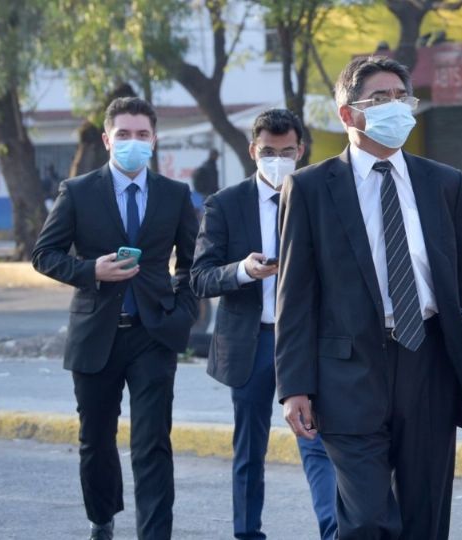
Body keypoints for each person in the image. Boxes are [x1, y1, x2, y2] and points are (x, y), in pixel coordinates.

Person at [275, 56, 462, 539]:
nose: (394, 108)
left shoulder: (444, 183)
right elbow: (294, 294)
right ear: (347, 114)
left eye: (402, 98)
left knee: (425, 517)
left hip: (430, 363)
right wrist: (294, 386)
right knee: (366, 520)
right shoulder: (310, 188)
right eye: (379, 99)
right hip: (349, 373)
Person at [32, 97, 199, 540]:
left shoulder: (175, 195)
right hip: (96, 334)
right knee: (96, 442)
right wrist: (91, 271)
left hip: (153, 334)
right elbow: (43, 255)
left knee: (152, 445)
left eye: (142, 134)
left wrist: (182, 313)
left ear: (154, 140)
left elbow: (192, 265)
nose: (133, 142)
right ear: (107, 140)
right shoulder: (79, 191)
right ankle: (102, 519)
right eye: (123, 134)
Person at [190, 108, 337, 540]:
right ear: (254, 151)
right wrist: (240, 270)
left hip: (307, 342)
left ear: (301, 150)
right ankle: (246, 533)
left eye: (287, 151)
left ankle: (333, 530)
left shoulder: (319, 196)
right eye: (269, 152)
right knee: (249, 450)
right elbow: (199, 277)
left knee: (317, 444)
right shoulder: (225, 204)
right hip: (252, 342)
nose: (278, 159)